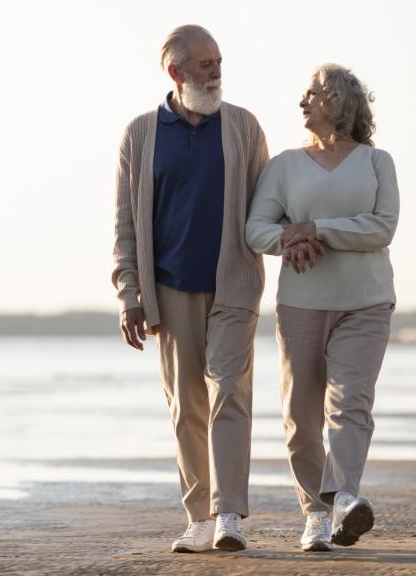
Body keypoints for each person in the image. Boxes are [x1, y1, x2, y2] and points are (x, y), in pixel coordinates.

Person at [111, 24, 268, 552]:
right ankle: (198, 517)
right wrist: (129, 295)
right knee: (187, 406)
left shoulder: (244, 127)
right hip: (169, 288)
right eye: (205, 64)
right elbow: (125, 225)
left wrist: (298, 232)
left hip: (234, 284)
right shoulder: (140, 134)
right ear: (175, 72)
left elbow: (268, 208)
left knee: (229, 392)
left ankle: (228, 516)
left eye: (219, 61)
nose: (217, 71)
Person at [245, 64, 399, 552]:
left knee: (350, 401)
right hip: (301, 303)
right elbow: (256, 229)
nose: (303, 102)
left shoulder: (377, 162)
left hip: (366, 302)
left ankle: (347, 500)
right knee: (301, 414)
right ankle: (314, 512)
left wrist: (318, 229)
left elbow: (383, 227)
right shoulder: (286, 165)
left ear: (339, 102)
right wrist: (288, 240)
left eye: (312, 93)